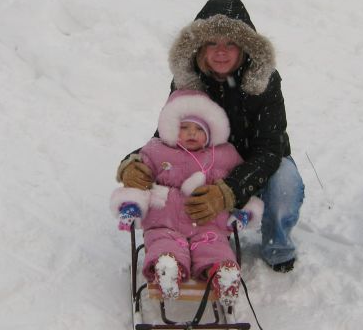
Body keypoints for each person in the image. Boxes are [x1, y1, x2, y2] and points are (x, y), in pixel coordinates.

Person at [116, 0, 303, 272]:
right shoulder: (190, 80)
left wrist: (230, 191)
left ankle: (277, 247)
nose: (221, 52)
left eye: (230, 43)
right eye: (212, 43)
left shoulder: (265, 81)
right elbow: (168, 134)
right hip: (210, 161)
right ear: (201, 47)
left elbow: (269, 149)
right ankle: (191, 236)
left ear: (244, 47)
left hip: (258, 160)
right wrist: (132, 163)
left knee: (286, 181)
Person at [111, 90, 263, 304]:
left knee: (215, 247)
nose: (192, 133)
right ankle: (167, 268)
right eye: (184, 127)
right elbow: (140, 181)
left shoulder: (225, 155)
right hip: (165, 222)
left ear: (211, 131)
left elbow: (240, 185)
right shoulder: (156, 151)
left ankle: (221, 273)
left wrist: (244, 210)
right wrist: (131, 204)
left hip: (208, 224)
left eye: (199, 129)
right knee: (163, 244)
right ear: (172, 128)